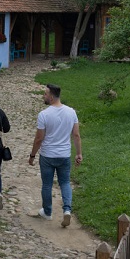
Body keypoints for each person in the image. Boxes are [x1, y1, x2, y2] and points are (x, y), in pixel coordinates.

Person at [28, 84, 82, 227]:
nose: (44, 96)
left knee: (47, 184)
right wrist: (79, 153)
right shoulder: (71, 112)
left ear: (51, 96)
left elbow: (39, 138)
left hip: (47, 155)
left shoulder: (44, 115)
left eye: (45, 94)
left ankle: (47, 212)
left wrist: (32, 155)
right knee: (65, 182)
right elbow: (76, 135)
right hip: (64, 155)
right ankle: (67, 210)